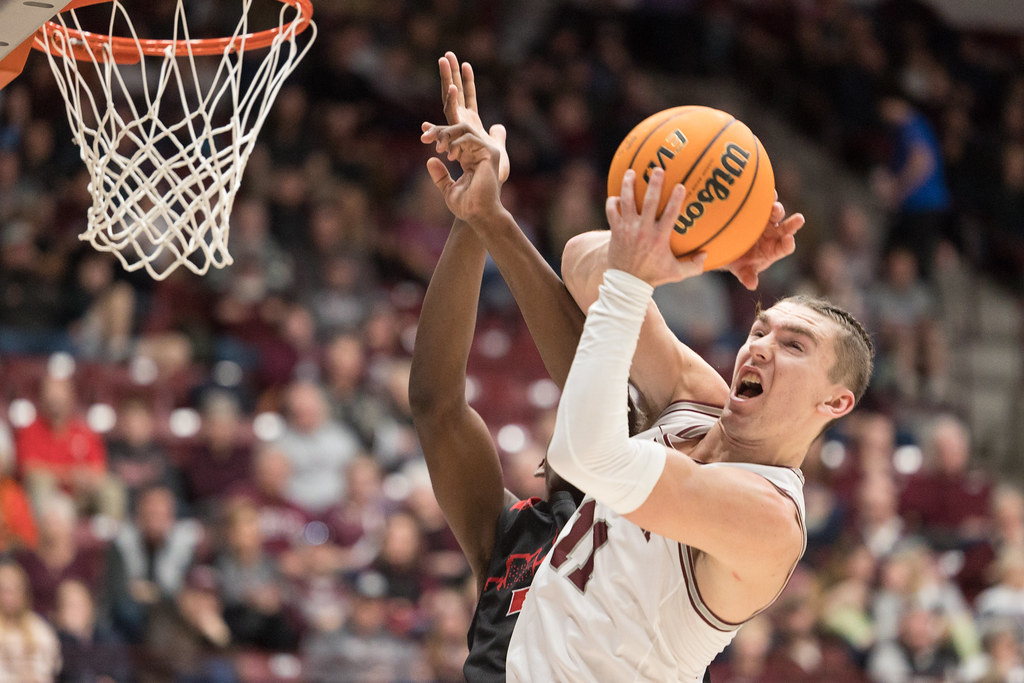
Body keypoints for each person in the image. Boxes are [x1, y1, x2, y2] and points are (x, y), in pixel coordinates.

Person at [415, 52, 807, 681]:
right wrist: (478, 217)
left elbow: (587, 396)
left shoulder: (677, 490)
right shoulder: (515, 540)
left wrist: (486, 219)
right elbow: (437, 406)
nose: (558, 432)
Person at [502, 172, 873, 677]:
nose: (760, 347)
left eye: (793, 346)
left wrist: (635, 281)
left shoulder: (768, 519)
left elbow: (585, 456)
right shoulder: (696, 398)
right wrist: (696, 252)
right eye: (759, 329)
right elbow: (581, 262)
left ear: (835, 402)